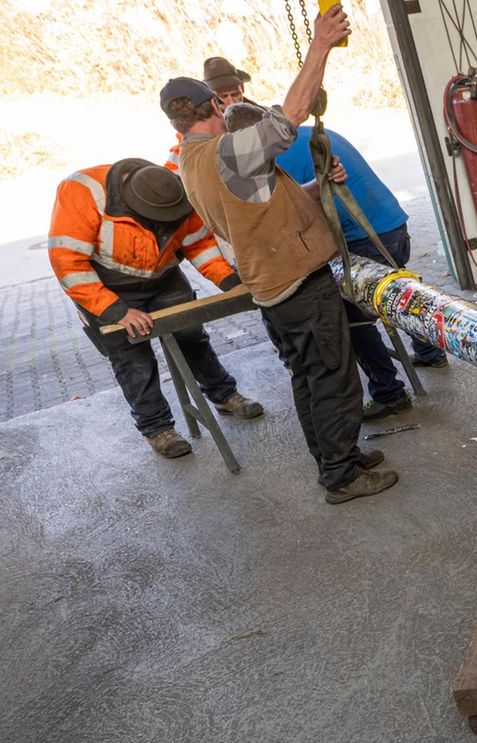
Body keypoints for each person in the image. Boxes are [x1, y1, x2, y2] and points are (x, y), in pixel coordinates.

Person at [163, 2, 399, 504]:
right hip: (298, 281)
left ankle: (338, 458)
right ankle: (341, 476)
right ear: (212, 107)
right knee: (333, 377)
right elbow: (289, 117)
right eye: (222, 103)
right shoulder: (222, 151)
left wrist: (314, 187)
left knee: (309, 377)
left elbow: (255, 205)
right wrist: (319, 46)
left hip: (273, 286)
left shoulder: (189, 162)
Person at [204, 57, 449, 375]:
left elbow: (289, 211)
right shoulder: (303, 134)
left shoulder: (273, 158)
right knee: (397, 290)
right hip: (393, 225)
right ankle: (429, 351)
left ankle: (388, 391)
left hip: (366, 237)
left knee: (350, 317)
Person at [48, 159, 265, 458]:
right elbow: (68, 265)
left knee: (191, 334)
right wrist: (116, 311)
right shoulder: (83, 192)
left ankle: (224, 395)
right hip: (105, 286)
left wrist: (230, 282)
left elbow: (198, 245)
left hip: (163, 277)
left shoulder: (174, 190)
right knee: (132, 358)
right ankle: (157, 428)